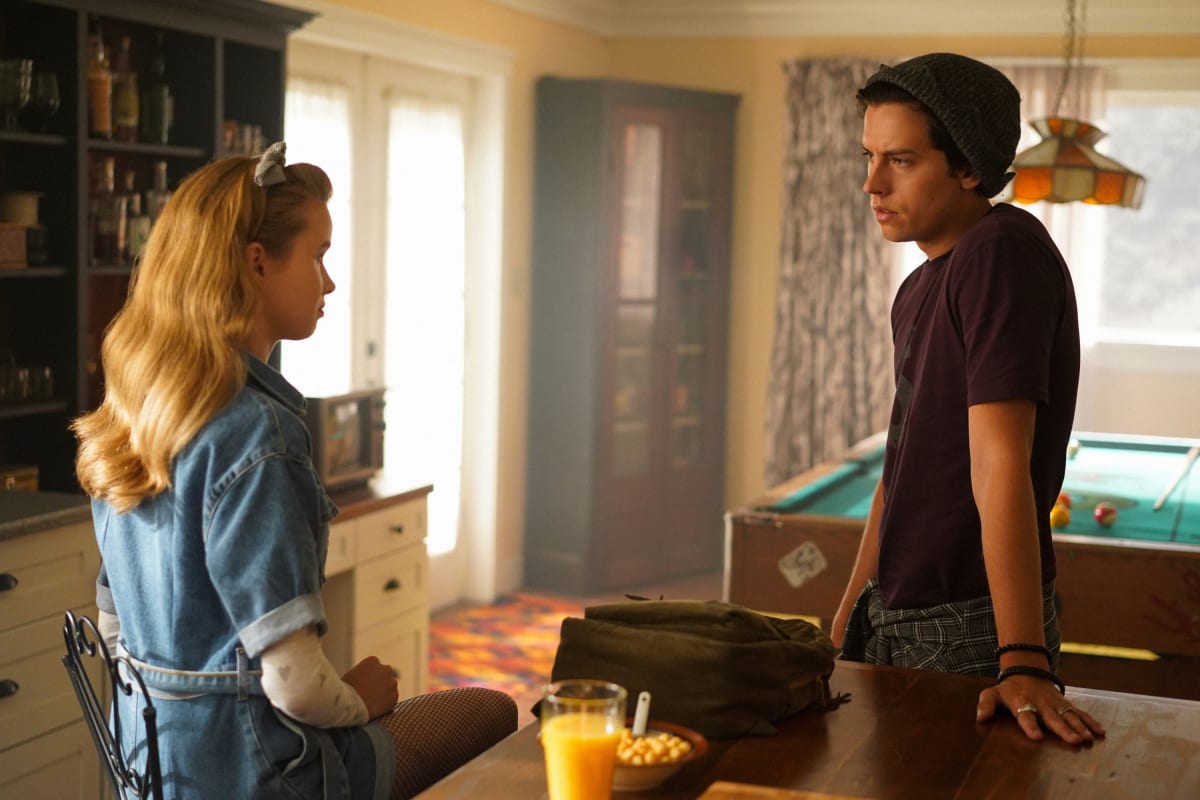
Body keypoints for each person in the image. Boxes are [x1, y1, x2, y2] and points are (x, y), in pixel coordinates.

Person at [73, 142, 516, 799]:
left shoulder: (134, 415)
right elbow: (298, 686)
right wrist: (359, 699)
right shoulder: (258, 431)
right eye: (318, 256)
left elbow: (113, 632)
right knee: (491, 708)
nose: (329, 282)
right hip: (265, 779)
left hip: (151, 776)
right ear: (258, 262)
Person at [829, 53, 1106, 745]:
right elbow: (899, 469)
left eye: (901, 160)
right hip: (898, 608)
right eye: (869, 156)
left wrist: (1024, 659)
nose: (872, 182)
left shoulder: (999, 251)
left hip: (966, 620)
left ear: (969, 168)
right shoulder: (921, 283)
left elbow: (999, 462)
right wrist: (849, 611)